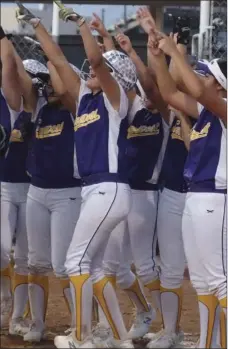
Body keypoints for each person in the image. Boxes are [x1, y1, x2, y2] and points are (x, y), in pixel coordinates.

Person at [16, 1, 137, 347]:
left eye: (100, 70)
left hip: (109, 189)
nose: (90, 71)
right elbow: (56, 60)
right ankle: (120, 338)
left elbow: (98, 60)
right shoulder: (85, 98)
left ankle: (81, 338)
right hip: (95, 192)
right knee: (94, 269)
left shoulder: (117, 101)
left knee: (75, 262)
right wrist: (38, 25)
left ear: (115, 77)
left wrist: (83, 25)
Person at [147, 25, 227, 349]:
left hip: (216, 199)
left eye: (208, 75)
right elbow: (169, 94)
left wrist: (174, 53)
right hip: (196, 196)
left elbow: (194, 87)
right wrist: (157, 57)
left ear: (220, 85)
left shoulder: (223, 108)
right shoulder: (208, 113)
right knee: (203, 283)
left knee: (220, 282)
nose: (200, 77)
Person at [0, 27, 32, 335]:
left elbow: (10, 64)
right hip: (5, 187)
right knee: (0, 248)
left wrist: (3, 39)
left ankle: (18, 316)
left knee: (24, 256)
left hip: (34, 191)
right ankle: (4, 294)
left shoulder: (26, 107)